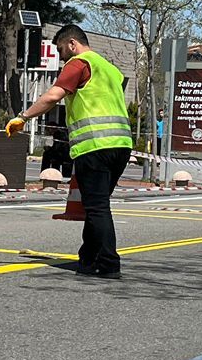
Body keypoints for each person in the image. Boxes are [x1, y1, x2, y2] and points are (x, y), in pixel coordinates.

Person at [8, 24, 133, 280]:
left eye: (61, 49)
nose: (60, 55)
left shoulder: (78, 63)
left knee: (97, 207)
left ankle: (108, 264)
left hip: (94, 145)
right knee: (95, 205)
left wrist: (23, 117)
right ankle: (88, 259)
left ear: (73, 44)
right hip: (121, 146)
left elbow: (53, 96)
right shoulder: (110, 69)